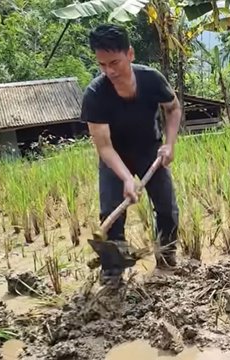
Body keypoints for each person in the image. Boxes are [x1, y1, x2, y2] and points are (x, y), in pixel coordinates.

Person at [81, 24, 182, 286]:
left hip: (150, 149)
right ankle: (113, 273)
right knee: (110, 213)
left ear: (130, 54)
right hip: (115, 156)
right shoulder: (95, 95)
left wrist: (169, 144)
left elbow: (173, 109)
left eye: (114, 62)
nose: (109, 71)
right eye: (102, 65)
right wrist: (126, 177)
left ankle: (167, 256)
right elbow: (104, 147)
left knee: (167, 209)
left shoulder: (151, 80)